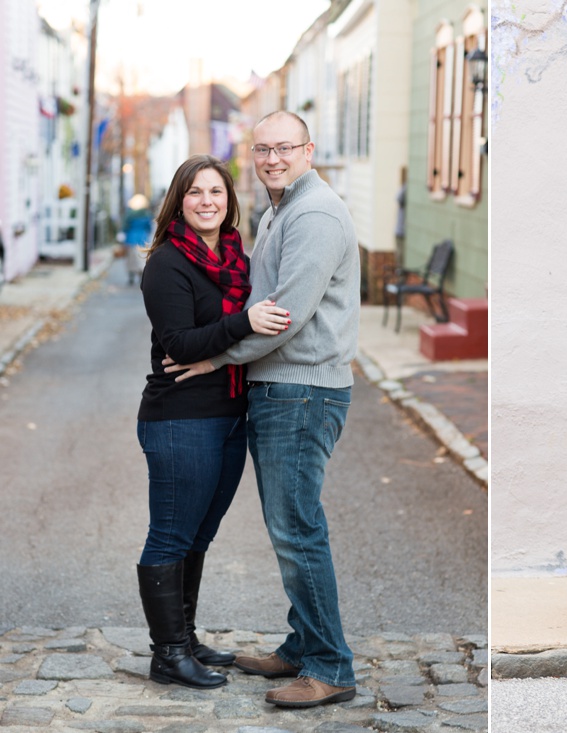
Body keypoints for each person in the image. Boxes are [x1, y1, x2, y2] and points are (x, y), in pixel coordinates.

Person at [165, 111, 361, 708]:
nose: (272, 159)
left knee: (297, 529)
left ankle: (330, 667)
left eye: (284, 148)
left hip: (301, 391)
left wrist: (215, 358)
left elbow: (285, 315)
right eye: (262, 150)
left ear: (308, 149)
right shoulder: (282, 209)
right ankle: (302, 647)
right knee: (290, 526)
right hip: (282, 390)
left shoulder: (316, 213)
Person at [136, 155, 290, 689]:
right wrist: (243, 321)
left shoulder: (234, 258)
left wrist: (236, 332)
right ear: (180, 199)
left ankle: (188, 637)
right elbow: (179, 343)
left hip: (228, 414)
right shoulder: (166, 264)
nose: (207, 202)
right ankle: (168, 653)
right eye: (196, 192)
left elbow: (230, 339)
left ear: (229, 202)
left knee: (199, 534)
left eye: (217, 193)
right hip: (180, 417)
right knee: (171, 535)